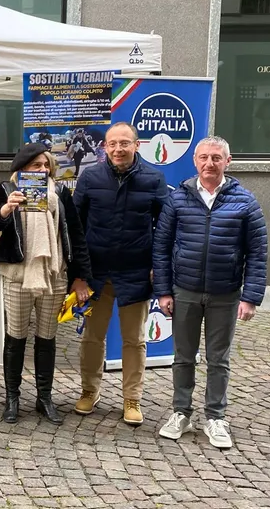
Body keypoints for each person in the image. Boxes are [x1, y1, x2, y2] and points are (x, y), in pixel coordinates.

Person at [153, 136, 268, 449]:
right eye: (203, 157)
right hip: (184, 290)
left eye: (216, 158)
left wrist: (250, 297)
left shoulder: (245, 201)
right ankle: (181, 413)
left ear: (227, 162)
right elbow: (161, 247)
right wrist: (163, 291)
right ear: (195, 161)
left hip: (225, 294)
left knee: (219, 360)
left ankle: (216, 417)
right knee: (183, 357)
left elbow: (257, 252)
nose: (209, 163)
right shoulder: (178, 199)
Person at [0, 143, 92, 425]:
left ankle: (44, 398)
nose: (43, 170)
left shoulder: (61, 192)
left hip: (54, 273)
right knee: (15, 336)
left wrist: (80, 277)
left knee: (47, 337)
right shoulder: (8, 189)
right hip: (18, 274)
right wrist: (6, 209)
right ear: (23, 169)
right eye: (36, 166)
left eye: (46, 165)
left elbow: (76, 234)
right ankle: (12, 398)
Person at [71, 122, 169, 426]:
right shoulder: (90, 177)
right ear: (105, 147)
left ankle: (132, 398)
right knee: (92, 337)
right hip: (95, 273)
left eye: (124, 143)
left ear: (137, 145)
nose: (118, 149)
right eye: (112, 143)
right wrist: (78, 275)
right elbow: (75, 228)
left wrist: (157, 268)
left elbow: (164, 229)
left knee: (135, 340)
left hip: (136, 273)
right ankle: (89, 390)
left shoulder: (154, 179)